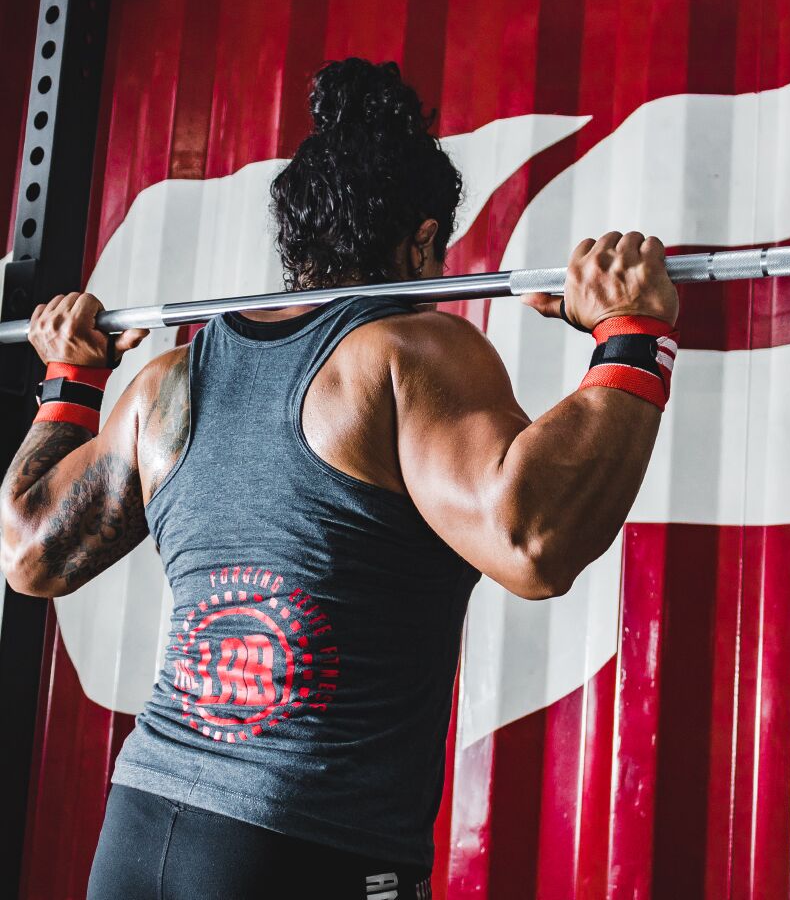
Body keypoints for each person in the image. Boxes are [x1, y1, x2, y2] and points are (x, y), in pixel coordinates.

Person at [0, 58, 679, 900]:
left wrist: (70, 381)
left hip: (139, 835)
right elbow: (533, 539)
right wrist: (630, 334)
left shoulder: (167, 385)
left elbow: (28, 552)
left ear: (297, 238)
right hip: (305, 848)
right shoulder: (409, 352)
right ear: (423, 241)